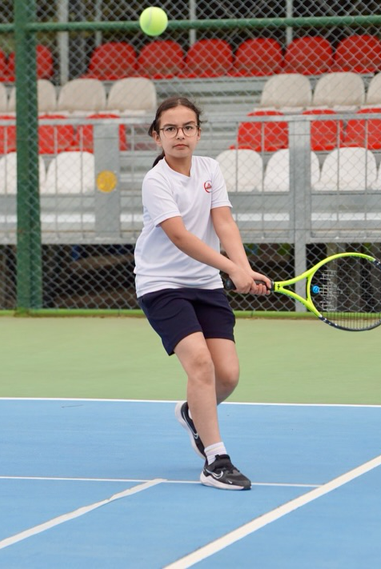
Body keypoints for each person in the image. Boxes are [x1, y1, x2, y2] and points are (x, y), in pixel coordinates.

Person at [134, 97, 270, 491]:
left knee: (228, 375)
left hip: (205, 284)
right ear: (157, 136)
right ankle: (216, 461)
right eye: (171, 129)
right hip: (162, 284)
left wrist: (241, 267)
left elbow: (224, 222)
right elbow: (180, 236)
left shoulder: (210, 168)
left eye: (188, 127)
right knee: (200, 364)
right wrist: (232, 269)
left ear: (198, 131)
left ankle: (194, 413)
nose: (181, 135)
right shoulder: (155, 181)